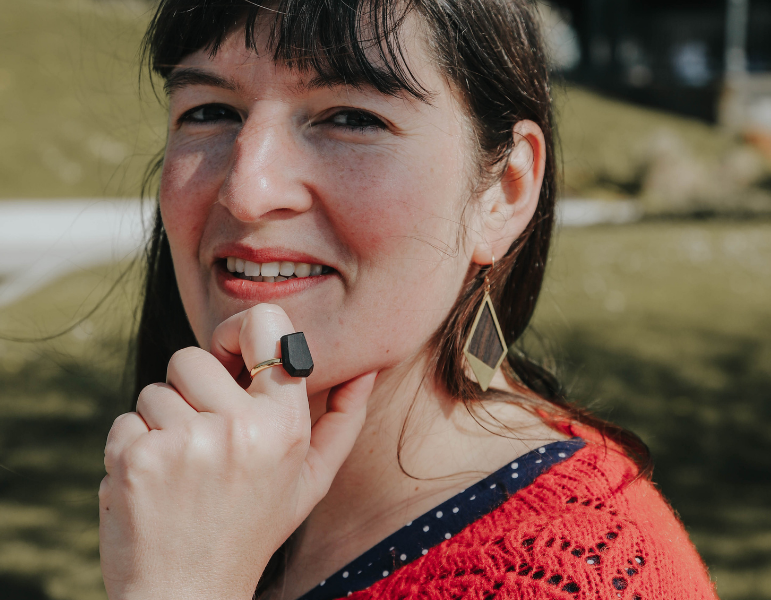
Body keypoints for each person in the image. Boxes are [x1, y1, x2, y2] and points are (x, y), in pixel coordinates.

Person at [98, 0, 718, 598]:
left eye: (352, 118)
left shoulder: (578, 579)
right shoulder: (195, 491)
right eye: (209, 111)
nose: (247, 190)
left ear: (503, 192)